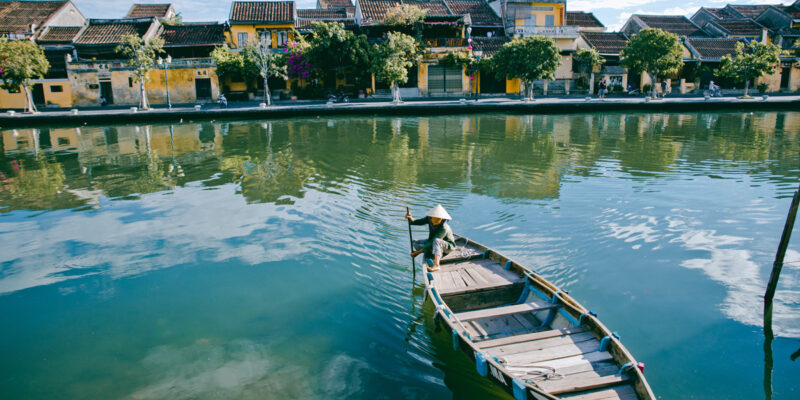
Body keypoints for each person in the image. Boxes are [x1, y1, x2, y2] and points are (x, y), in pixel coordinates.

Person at [405, 204, 456, 272]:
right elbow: (417, 222)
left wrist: (417, 253)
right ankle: (430, 250)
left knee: (436, 241)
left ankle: (436, 265)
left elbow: (434, 241)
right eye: (433, 219)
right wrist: (410, 218)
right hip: (432, 242)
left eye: (438, 219)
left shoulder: (444, 228)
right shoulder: (429, 219)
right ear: (431, 217)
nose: (435, 222)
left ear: (442, 219)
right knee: (414, 242)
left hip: (447, 246)